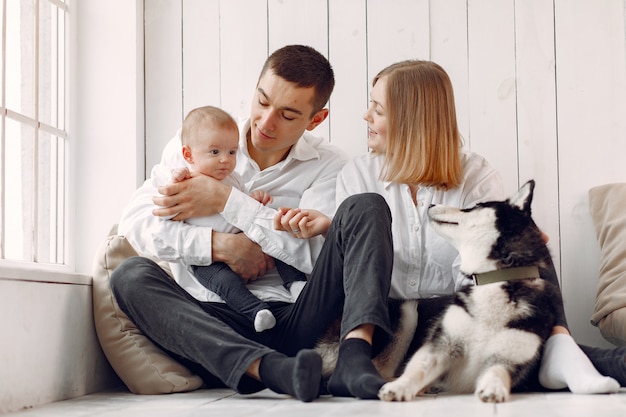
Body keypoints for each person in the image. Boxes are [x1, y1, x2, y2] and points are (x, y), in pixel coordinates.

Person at [275, 59, 626, 395]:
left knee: (524, 236)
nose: (366, 116)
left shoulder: (474, 175)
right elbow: (359, 275)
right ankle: (559, 355)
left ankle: (561, 346)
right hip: (389, 324)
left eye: (378, 110)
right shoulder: (359, 176)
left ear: (412, 120)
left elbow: (477, 279)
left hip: (460, 319)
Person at [110, 44, 395, 402]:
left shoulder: (330, 166)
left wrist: (226, 200)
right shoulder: (199, 141)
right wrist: (219, 245)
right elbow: (135, 224)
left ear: (315, 120)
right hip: (212, 321)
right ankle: (272, 371)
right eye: (262, 101)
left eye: (288, 115)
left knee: (367, 206)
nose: (265, 122)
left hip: (297, 314)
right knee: (129, 275)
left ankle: (353, 361)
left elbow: (315, 259)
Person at [153, 105, 307, 333]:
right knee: (224, 283)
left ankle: (295, 284)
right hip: (209, 261)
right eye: (215, 152)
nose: (225, 160)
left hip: (249, 242)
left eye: (232, 152)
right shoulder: (183, 178)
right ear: (188, 155)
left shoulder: (233, 179)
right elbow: (161, 228)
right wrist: (177, 177)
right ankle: (255, 311)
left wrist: (255, 198)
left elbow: (243, 206)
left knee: (276, 240)